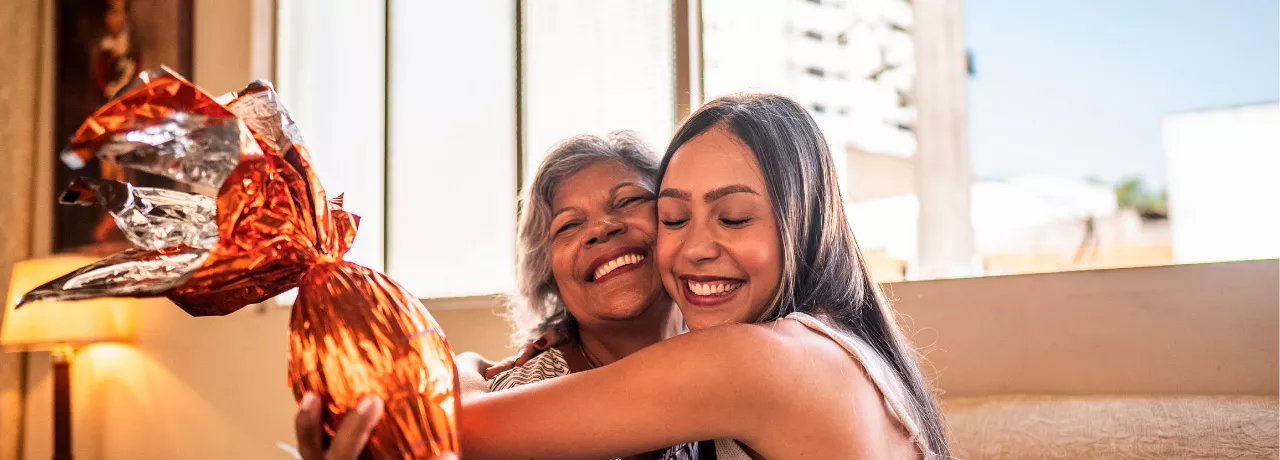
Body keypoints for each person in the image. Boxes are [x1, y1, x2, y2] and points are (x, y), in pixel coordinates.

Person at [300, 94, 950, 459]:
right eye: (674, 217)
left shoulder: (755, 361)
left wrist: (463, 367)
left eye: (732, 217)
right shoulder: (836, 349)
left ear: (803, 222)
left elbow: (442, 426)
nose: (697, 248)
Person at [299, 132, 695, 459]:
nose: (600, 228)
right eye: (568, 225)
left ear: (675, 218)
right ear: (549, 276)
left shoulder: (734, 344)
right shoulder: (524, 388)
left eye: (627, 201)